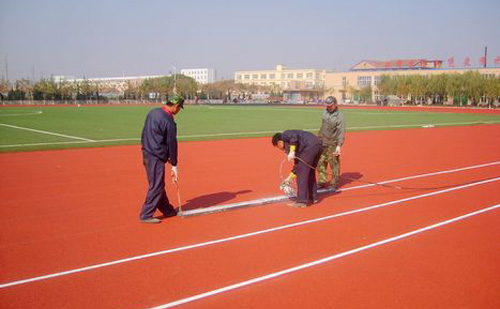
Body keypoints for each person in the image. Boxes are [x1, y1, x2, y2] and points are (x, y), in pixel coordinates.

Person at [139, 94, 184, 224]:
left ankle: (167, 209)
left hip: (147, 152)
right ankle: (146, 214)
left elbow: (143, 133)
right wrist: (174, 164)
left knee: (157, 183)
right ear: (175, 106)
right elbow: (172, 143)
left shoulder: (153, 112)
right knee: (157, 185)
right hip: (155, 156)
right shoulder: (168, 120)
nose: (179, 110)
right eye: (179, 107)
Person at [272, 130, 323, 208]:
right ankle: (313, 197)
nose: (280, 149)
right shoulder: (297, 147)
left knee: (302, 174)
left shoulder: (285, 135)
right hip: (317, 145)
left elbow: (293, 136)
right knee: (310, 172)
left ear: (279, 142)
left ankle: (301, 201)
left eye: (277, 147)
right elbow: (297, 165)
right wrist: (289, 178)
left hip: (310, 146)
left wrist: (292, 151)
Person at [317, 96, 346, 189]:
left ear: (335, 104)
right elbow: (322, 126)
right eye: (327, 105)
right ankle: (322, 181)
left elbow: (341, 131)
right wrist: (318, 138)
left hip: (332, 143)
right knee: (320, 162)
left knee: (334, 164)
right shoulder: (325, 112)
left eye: (330, 105)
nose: (328, 107)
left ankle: (334, 183)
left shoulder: (340, 116)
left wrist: (339, 146)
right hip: (322, 142)